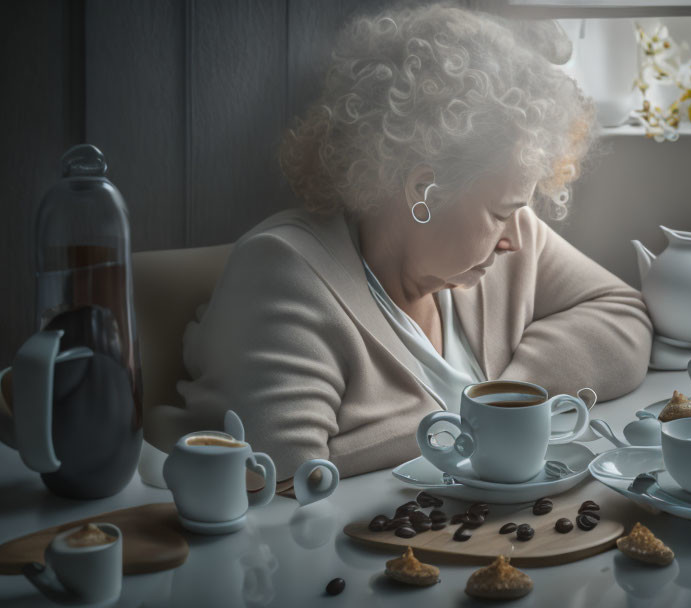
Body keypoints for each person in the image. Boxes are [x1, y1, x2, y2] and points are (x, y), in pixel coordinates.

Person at [148, 3, 652, 495]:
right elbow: (281, 482)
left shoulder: (504, 241)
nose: (514, 238)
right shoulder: (284, 275)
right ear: (421, 191)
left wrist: (500, 403)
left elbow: (623, 318)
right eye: (499, 213)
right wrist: (469, 425)